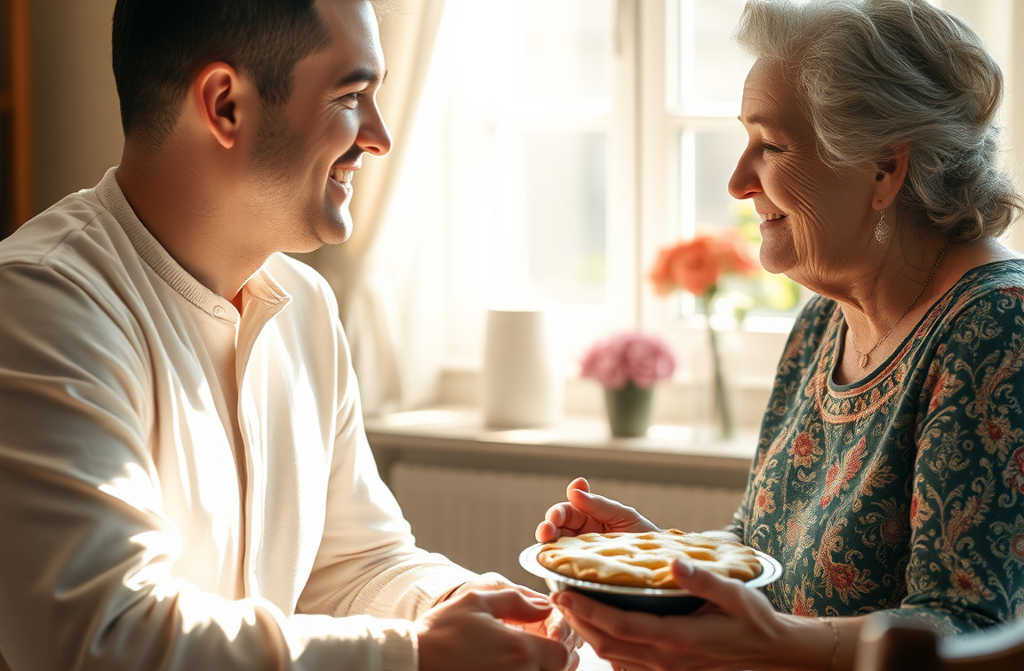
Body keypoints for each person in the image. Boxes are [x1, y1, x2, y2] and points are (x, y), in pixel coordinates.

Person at [0, 1, 578, 670]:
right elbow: (102, 636)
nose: (381, 136)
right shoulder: (40, 306)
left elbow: (354, 561)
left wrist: (459, 603)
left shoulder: (305, 306)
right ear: (225, 105)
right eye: (352, 95)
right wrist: (416, 653)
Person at [536, 1, 1024, 669]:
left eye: (770, 145)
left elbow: (962, 632)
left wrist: (759, 644)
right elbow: (763, 548)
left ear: (885, 167)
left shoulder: (997, 329)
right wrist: (663, 563)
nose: (738, 181)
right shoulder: (826, 318)